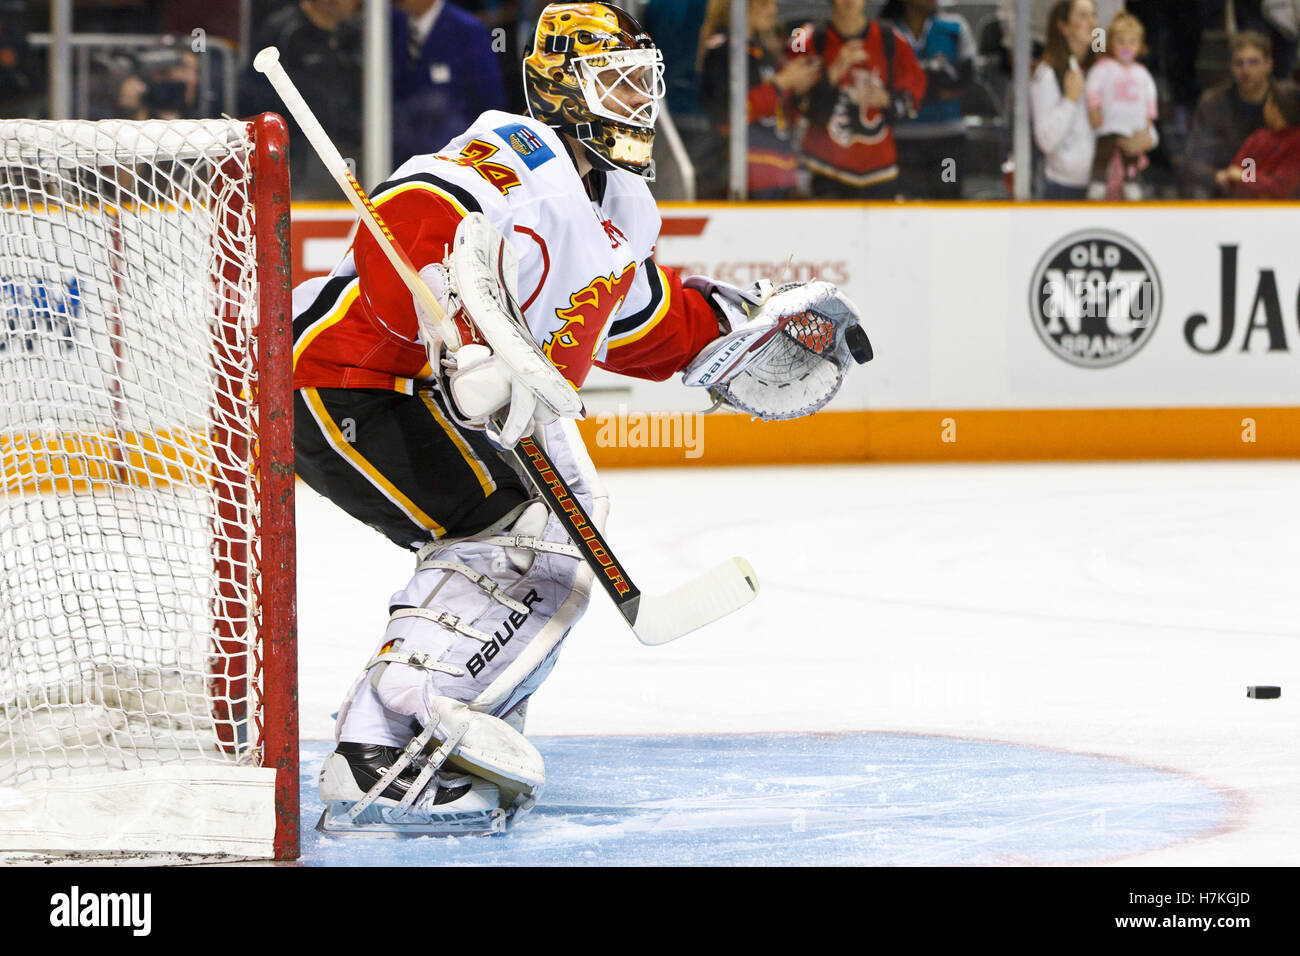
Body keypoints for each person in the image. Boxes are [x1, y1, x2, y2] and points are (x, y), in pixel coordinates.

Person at [291, 2, 868, 834]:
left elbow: (631, 320)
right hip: (351, 383)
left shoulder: (621, 202)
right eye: (618, 84)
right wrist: (463, 322)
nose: (638, 104)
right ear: (563, 89)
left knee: (563, 532)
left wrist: (736, 331)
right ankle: (381, 743)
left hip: (448, 400)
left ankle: (459, 710)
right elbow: (416, 208)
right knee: (514, 536)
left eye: (644, 84)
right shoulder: (519, 153)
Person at [791, 0, 927, 198]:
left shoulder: (892, 38)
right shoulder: (804, 38)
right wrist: (832, 73)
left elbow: (915, 93)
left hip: (880, 172)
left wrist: (888, 100)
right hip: (824, 171)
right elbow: (790, 99)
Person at [697, 0, 820, 198]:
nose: (773, 10)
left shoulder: (762, 52)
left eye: (774, 4)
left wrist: (796, 90)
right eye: (763, 3)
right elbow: (726, 118)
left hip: (777, 177)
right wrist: (780, 84)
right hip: (743, 179)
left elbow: (777, 117)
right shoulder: (723, 50)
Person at [241, 0, 363, 199]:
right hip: (296, 157)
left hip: (349, 151)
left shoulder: (357, 36)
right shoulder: (282, 32)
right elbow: (255, 95)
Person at [879, 0, 977, 199]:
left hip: (948, 144)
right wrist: (932, 82)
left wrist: (912, 88)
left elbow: (966, 79)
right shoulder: (884, 32)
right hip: (901, 143)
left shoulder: (955, 28)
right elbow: (882, 82)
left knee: (948, 201)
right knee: (905, 212)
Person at [391, 0, 507, 157]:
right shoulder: (390, 26)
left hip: (451, 159)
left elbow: (489, 101)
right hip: (399, 159)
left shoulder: (467, 30)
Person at [1184, 31, 1273, 197]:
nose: (1246, 70)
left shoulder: (1287, 103)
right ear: (1231, 66)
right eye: (1239, 63)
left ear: (1269, 64)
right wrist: (1217, 177)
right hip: (1226, 196)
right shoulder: (1213, 103)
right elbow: (1194, 161)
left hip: (1277, 197)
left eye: (1253, 62)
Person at [1084, 10, 1158, 199]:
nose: (1126, 46)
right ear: (1111, 44)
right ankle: (1098, 182)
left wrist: (1148, 123)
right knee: (1103, 154)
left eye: (1132, 42)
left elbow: (1150, 99)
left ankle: (1131, 182)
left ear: (1140, 46)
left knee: (1131, 159)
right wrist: (1095, 109)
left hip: (1132, 131)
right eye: (1121, 41)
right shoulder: (1103, 68)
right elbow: (1092, 88)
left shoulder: (1142, 74)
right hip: (1108, 126)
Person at [1029, 0, 1099, 199]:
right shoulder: (1047, 74)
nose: (1092, 23)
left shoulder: (1098, 71)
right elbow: (1045, 140)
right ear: (1063, 26)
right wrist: (1069, 100)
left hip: (1100, 184)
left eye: (1093, 15)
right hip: (1063, 187)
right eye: (1083, 16)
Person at [1216, 79, 1300, 198]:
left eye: (1267, 103)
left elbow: (1281, 187)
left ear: (1275, 108)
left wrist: (1243, 178)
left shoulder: (1296, 142)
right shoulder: (1259, 137)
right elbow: (1235, 170)